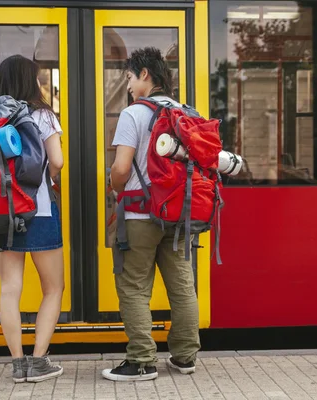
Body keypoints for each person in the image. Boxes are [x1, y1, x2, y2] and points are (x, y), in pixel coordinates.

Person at [102, 47, 200, 382]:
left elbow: (121, 167)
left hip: (140, 216)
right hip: (181, 214)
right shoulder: (188, 113)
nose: (128, 84)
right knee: (182, 285)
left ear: (145, 75)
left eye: (129, 77)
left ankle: (142, 361)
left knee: (133, 287)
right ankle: (185, 357)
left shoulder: (134, 114)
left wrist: (112, 185)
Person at [0, 55, 65, 383]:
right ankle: (39, 360)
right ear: (32, 81)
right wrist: (46, 179)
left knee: (9, 288)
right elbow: (56, 160)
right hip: (38, 211)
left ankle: (18, 365)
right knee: (54, 288)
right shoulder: (42, 114)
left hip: (0, 212)